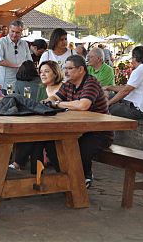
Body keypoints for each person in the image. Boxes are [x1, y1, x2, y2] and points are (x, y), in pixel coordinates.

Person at [45, 55, 112, 188]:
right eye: (65, 68)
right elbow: (55, 97)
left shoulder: (90, 83)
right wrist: (47, 101)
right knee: (50, 142)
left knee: (79, 148)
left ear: (81, 69)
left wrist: (57, 104)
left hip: (99, 132)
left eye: (70, 68)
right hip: (77, 129)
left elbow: (83, 105)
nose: (66, 72)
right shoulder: (69, 84)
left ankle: (84, 177)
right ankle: (66, 175)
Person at [9, 61, 63, 172]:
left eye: (47, 71)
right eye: (41, 72)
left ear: (56, 73)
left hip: (61, 125)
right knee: (37, 137)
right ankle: (36, 174)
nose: (42, 74)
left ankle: (20, 163)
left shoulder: (63, 88)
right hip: (45, 124)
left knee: (35, 135)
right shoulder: (41, 87)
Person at [105, 46, 143, 120]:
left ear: (135, 58)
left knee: (105, 108)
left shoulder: (140, 70)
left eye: (132, 58)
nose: (131, 61)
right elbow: (126, 88)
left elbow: (125, 91)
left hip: (136, 110)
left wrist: (108, 103)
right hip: (133, 106)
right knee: (106, 97)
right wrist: (109, 87)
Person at [0, 20, 32, 91]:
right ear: (9, 29)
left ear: (21, 32)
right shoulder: (1, 42)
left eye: (17, 32)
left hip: (21, 84)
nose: (14, 34)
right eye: (12, 31)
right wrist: (17, 66)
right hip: (5, 84)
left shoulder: (24, 44)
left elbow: (29, 61)